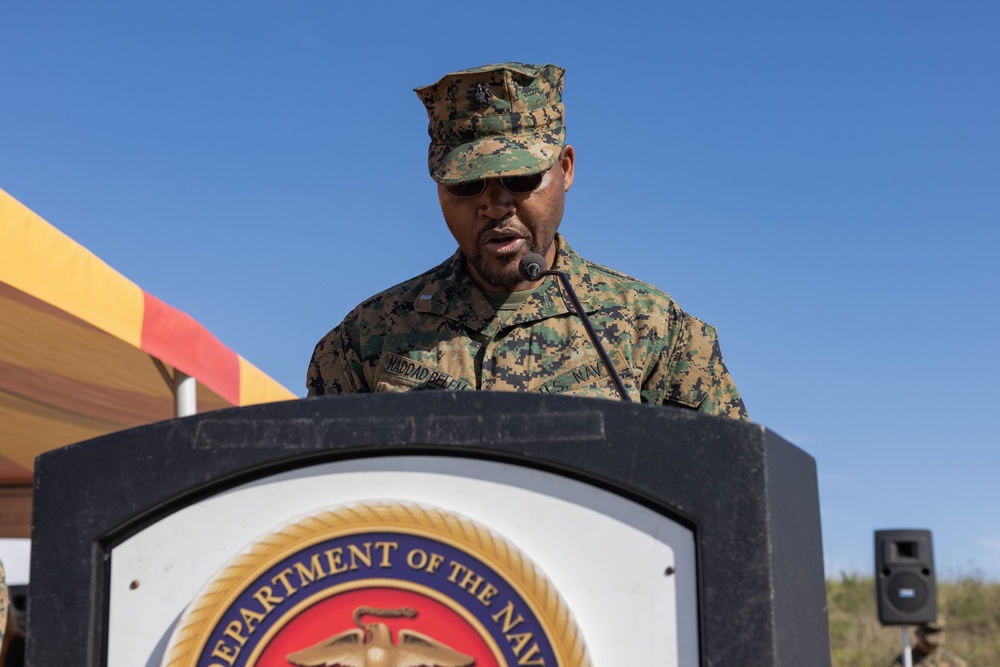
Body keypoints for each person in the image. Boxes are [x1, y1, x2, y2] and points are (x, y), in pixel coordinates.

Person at [307, 62, 748, 420]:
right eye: (466, 185)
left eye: (520, 178)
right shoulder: (364, 341)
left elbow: (728, 493)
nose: (495, 205)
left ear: (567, 169)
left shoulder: (655, 332)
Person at [892, 619, 967, 667]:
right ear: (917, 635)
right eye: (928, 643)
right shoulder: (903, 662)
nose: (932, 647)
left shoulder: (951, 661)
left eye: (936, 644)